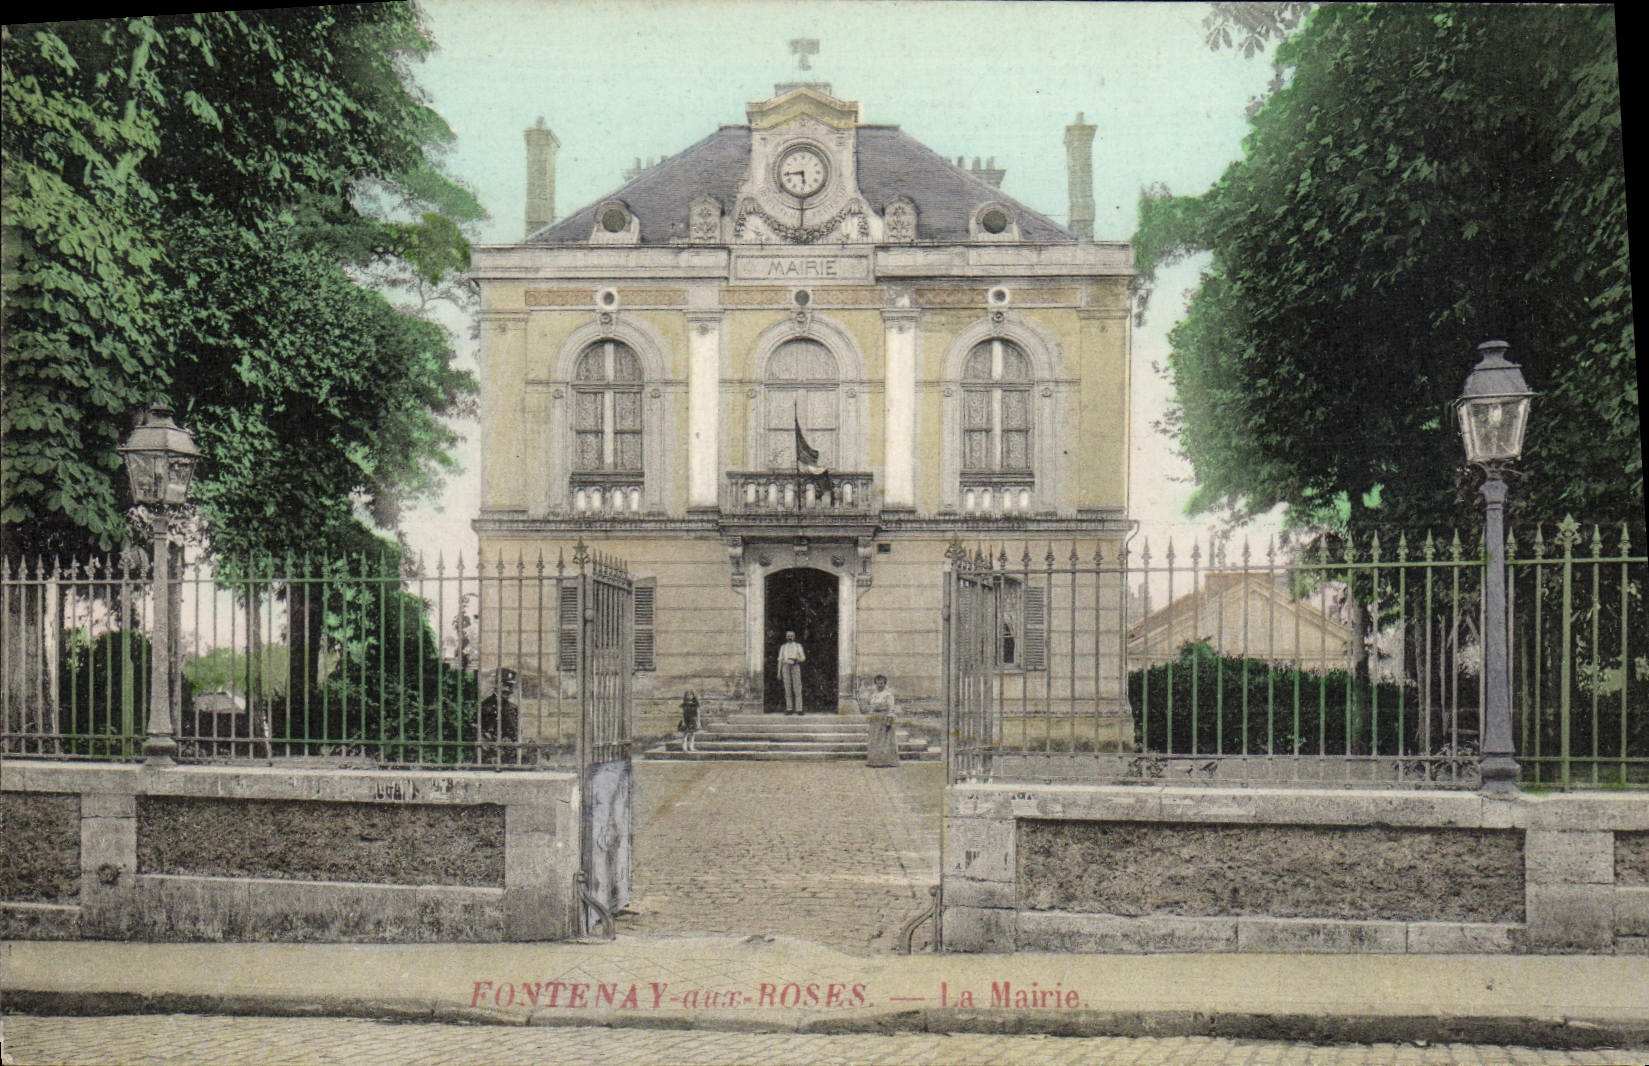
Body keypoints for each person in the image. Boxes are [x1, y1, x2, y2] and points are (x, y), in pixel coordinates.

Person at [866, 674, 900, 767]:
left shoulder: (888, 695)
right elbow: (871, 707)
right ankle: (875, 761)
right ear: (875, 684)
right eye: (877, 683)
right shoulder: (874, 695)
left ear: (885, 684)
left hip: (884, 718)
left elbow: (891, 708)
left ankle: (887, 761)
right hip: (875, 719)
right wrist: (870, 716)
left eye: (881, 683)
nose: (879, 685)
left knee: (885, 740)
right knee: (875, 740)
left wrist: (889, 719)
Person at [778, 630, 806, 714]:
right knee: (787, 687)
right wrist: (778, 672)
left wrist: (797, 659)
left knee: (797, 687)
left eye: (791, 636)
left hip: (795, 666)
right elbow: (780, 660)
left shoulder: (798, 646)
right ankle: (789, 708)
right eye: (788, 636)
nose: (790, 637)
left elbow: (803, 657)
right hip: (785, 666)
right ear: (786, 637)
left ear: (794, 637)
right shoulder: (783, 647)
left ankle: (799, 709)